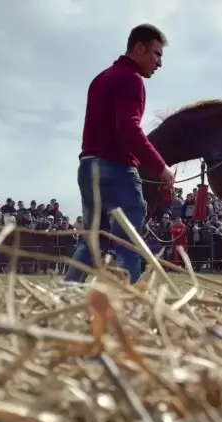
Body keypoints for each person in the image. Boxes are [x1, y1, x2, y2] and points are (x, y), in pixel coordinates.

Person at [64, 23, 175, 284]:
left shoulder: (101, 78)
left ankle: (66, 295)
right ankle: (133, 304)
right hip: (115, 167)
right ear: (139, 48)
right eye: (156, 54)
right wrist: (161, 167)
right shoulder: (131, 79)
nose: (159, 63)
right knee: (130, 244)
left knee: (92, 241)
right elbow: (128, 128)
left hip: (88, 165)